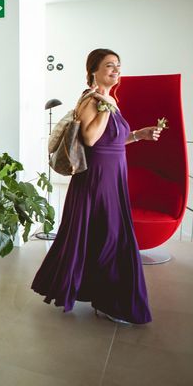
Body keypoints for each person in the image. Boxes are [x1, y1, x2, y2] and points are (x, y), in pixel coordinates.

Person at [31, 48, 163, 325]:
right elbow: (91, 139)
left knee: (105, 235)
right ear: (93, 70)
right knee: (110, 237)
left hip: (113, 177)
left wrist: (139, 135)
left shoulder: (108, 100)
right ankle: (111, 301)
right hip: (96, 179)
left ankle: (103, 297)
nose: (116, 70)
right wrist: (104, 104)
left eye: (118, 66)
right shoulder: (91, 100)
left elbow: (112, 140)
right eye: (109, 66)